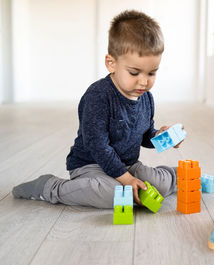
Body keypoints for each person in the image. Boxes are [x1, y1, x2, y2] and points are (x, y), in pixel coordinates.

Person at [12, 9, 181, 208]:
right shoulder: (98, 97)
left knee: (157, 184)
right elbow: (98, 147)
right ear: (111, 63)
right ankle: (49, 187)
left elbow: (144, 135)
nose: (144, 81)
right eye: (134, 72)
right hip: (92, 165)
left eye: (152, 73)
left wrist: (161, 137)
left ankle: (182, 176)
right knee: (115, 195)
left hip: (127, 164)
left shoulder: (146, 98)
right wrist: (126, 180)